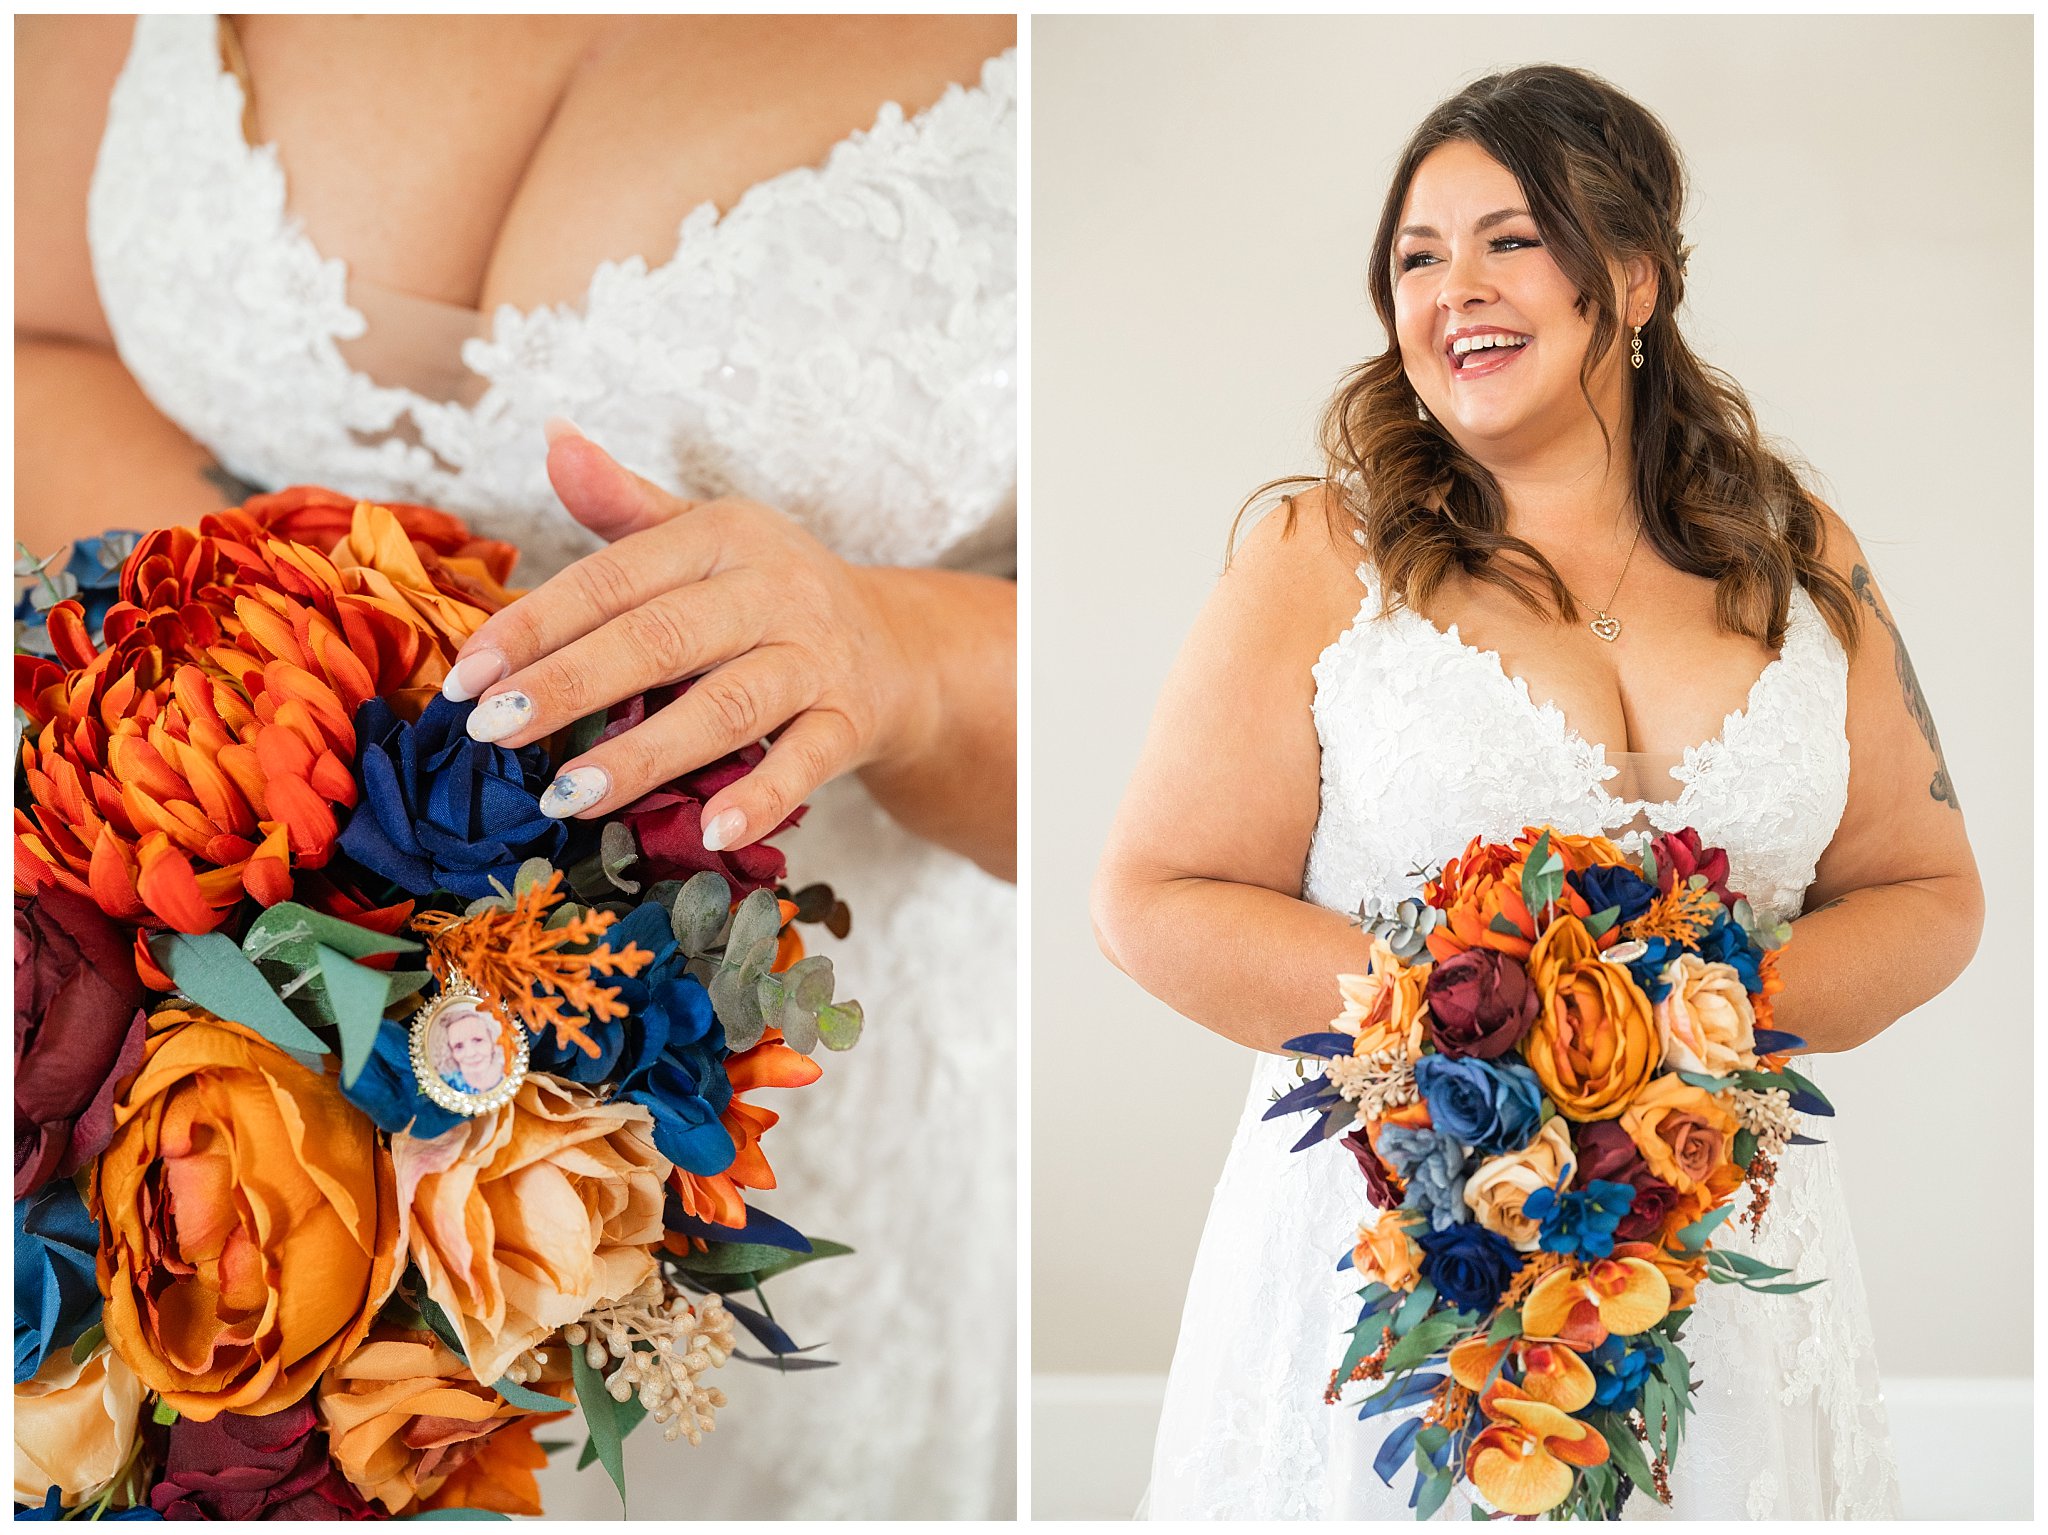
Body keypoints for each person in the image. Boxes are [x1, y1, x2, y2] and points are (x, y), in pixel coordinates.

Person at [17, 13, 1017, 1519]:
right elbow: (41, 334)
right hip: (172, 973)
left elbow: (1202, 734)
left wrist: (905, 655)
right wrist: (279, 667)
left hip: (793, 1089)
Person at [1093, 65, 1981, 1520]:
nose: (1457, 289)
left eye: (1509, 239)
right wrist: (1472, 1039)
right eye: (1415, 258)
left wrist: (1675, 1052)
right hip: (1408, 1260)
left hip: (1721, 1257)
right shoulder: (1321, 555)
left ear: (1630, 277)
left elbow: (1931, 893)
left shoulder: (1798, 551)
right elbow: (1150, 899)